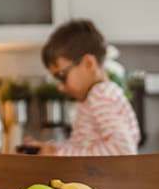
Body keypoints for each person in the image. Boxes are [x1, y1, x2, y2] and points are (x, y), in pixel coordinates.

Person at [31, 19, 140, 156]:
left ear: (89, 64)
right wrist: (53, 148)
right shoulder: (97, 95)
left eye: (61, 76)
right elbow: (84, 146)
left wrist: (59, 154)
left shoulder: (100, 96)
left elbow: (122, 150)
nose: (60, 87)